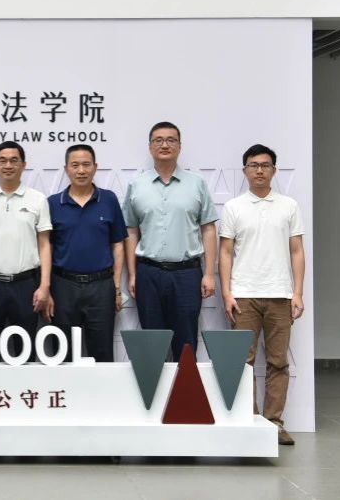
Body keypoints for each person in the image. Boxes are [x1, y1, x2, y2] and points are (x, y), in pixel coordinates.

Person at [219, 144, 305, 445]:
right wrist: (227, 293)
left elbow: (297, 250)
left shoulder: (289, 206)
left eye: (265, 165)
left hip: (280, 294)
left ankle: (274, 423)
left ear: (274, 170)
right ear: (245, 170)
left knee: (278, 362)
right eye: (253, 165)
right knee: (243, 363)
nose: (259, 170)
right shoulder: (233, 207)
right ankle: (249, 421)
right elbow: (225, 252)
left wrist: (297, 292)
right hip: (243, 295)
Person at [122, 121, 217, 360]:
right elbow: (131, 231)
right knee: (152, 345)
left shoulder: (196, 183)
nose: (165, 145)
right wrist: (132, 274)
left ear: (180, 146)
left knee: (186, 343)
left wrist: (208, 274)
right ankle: (156, 386)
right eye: (158, 140)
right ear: (150, 147)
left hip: (187, 274)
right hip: (148, 274)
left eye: (171, 140)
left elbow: (208, 228)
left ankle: (184, 385)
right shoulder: (137, 185)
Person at [0, 141, 51, 361]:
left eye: (14, 160)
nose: (8, 165)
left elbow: (44, 244)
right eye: (3, 161)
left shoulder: (37, 199)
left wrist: (44, 286)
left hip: (26, 285)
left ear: (23, 165)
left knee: (25, 352)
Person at [48, 144, 126, 362]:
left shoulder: (109, 200)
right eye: (75, 165)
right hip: (63, 286)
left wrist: (116, 288)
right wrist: (48, 289)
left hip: (101, 286)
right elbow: (47, 248)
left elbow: (118, 245)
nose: (81, 170)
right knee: (63, 353)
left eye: (86, 164)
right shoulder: (53, 203)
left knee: (102, 353)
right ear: (66, 169)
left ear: (95, 167)